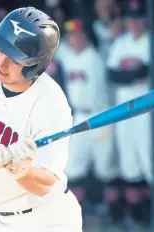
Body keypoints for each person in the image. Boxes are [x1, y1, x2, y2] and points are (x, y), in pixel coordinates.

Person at [0, 7, 82, 232]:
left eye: (14, 58)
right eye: (0, 49)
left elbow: (45, 182)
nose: (1, 63)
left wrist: (20, 170)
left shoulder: (53, 103)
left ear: (34, 66)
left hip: (46, 219)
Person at [106, 0, 154, 229]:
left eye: (138, 18)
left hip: (148, 111)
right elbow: (111, 75)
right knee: (129, 163)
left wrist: (129, 74)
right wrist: (131, 74)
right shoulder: (120, 42)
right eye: (131, 18)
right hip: (125, 112)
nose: (134, 23)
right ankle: (138, 215)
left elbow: (146, 71)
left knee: (152, 162)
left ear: (146, 20)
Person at [60, 19, 115, 211]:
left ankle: (110, 209)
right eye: (71, 35)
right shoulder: (68, 57)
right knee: (74, 164)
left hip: (100, 114)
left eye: (78, 34)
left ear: (85, 35)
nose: (74, 38)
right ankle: (78, 210)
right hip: (79, 116)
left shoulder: (95, 57)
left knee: (105, 166)